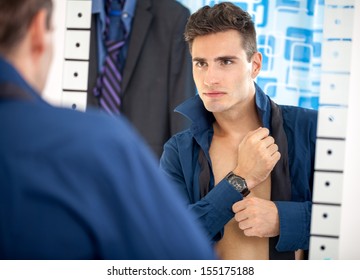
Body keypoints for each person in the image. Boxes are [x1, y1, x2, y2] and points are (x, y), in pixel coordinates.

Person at [0, 0, 216, 260]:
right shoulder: (102, 142)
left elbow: (182, 120)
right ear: (38, 31)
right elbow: (191, 263)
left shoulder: (174, 17)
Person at [160, 2, 317, 260]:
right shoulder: (178, 151)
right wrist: (241, 177)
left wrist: (284, 220)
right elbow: (168, 239)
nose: (210, 78)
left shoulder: (310, 128)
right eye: (201, 63)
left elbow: (350, 217)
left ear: (255, 65)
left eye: (225, 62)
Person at [87, 0, 196, 158]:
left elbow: (182, 114)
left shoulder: (174, 18)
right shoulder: (62, 13)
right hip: (78, 163)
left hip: (146, 166)